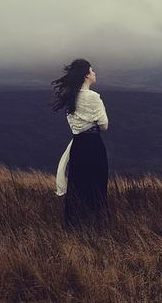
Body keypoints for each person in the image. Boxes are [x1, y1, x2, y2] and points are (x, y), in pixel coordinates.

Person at [51, 59, 111, 231]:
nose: (94, 73)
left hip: (78, 145)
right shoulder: (94, 97)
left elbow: (74, 125)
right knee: (96, 184)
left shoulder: (70, 97)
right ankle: (95, 226)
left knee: (78, 185)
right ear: (86, 75)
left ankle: (73, 226)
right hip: (94, 145)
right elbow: (104, 125)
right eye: (92, 70)